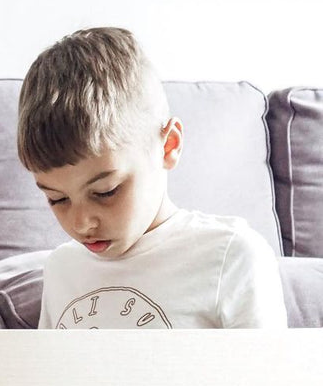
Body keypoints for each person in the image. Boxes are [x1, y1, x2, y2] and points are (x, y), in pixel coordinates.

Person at [16, 27, 288, 329]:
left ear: (168, 146)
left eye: (106, 191)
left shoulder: (231, 257)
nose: (80, 223)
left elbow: (267, 375)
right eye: (57, 199)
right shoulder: (61, 269)